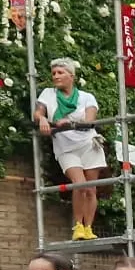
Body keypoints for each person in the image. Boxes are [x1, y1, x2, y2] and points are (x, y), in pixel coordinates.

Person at [35, 58, 104, 240]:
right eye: (54, 73)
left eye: (60, 73)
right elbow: (38, 112)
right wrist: (42, 119)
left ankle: (88, 228)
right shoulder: (48, 94)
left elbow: (89, 120)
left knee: (90, 188)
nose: (56, 76)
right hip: (66, 147)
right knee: (79, 184)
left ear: (71, 76)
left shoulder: (86, 97)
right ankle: (78, 225)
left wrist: (71, 122)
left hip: (88, 144)